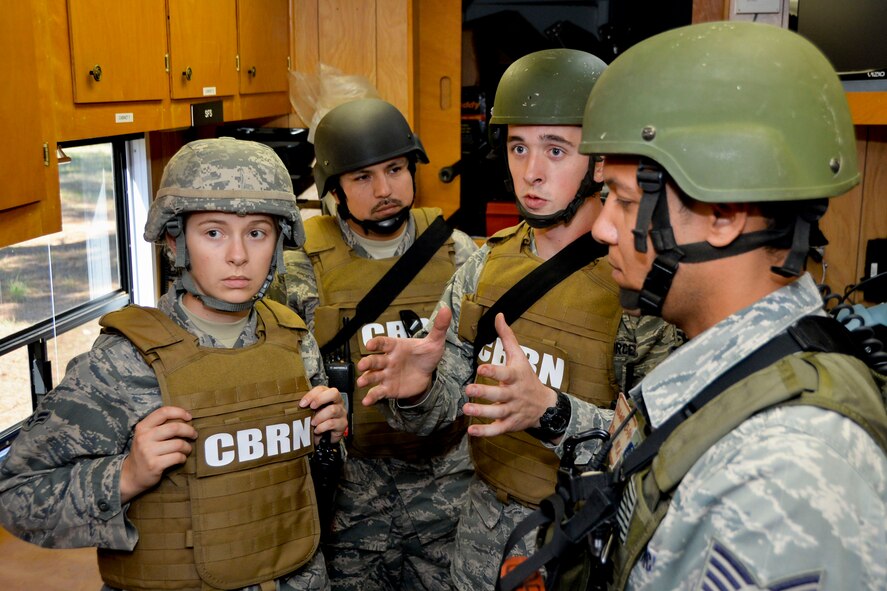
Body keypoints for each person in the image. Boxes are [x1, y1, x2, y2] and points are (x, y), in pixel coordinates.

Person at [355, 49, 682, 590]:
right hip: (480, 537)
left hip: (583, 546)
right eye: (518, 147)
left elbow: (663, 451)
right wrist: (419, 390)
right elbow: (448, 408)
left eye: (556, 149)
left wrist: (552, 413)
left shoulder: (640, 288)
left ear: (600, 161)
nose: (531, 172)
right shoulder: (484, 265)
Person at [577, 21, 886, 590]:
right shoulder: (734, 375)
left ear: (724, 215)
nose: (600, 227)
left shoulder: (785, 473)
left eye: (623, 201)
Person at [0, 138, 348, 591]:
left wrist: (331, 438)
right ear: (174, 239)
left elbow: (306, 479)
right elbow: (16, 496)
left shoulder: (293, 338)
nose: (238, 255)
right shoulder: (124, 360)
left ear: (279, 242)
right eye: (214, 233)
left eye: (257, 233)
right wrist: (125, 476)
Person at [267, 97, 479, 590]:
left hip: (447, 491)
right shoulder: (295, 268)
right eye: (363, 177)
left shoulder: (459, 250)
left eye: (396, 169)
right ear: (334, 188)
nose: (385, 190)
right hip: (351, 500)